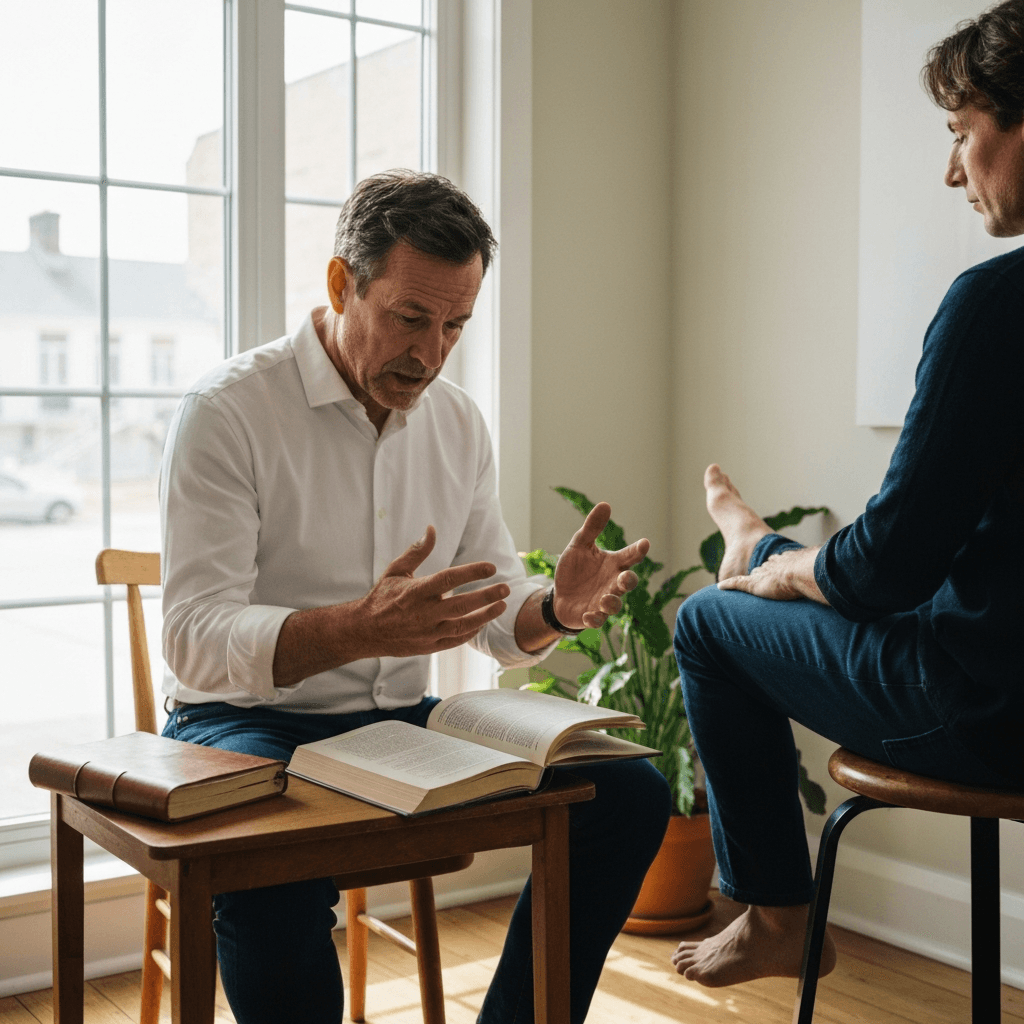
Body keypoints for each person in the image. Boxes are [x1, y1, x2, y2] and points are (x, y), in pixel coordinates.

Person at [157, 169, 670, 1024]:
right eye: (409, 318)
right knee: (268, 875)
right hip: (242, 721)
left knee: (628, 798)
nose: (430, 353)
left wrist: (553, 611)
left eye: (455, 325)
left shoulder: (458, 421)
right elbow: (193, 636)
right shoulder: (227, 412)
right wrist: (358, 629)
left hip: (398, 725)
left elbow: (494, 605)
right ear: (339, 285)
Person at [670, 0, 1024, 989]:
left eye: (961, 134)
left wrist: (787, 581)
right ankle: (766, 546)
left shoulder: (993, 307)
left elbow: (887, 568)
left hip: (990, 708)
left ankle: (777, 914)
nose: (952, 169)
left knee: (708, 622)